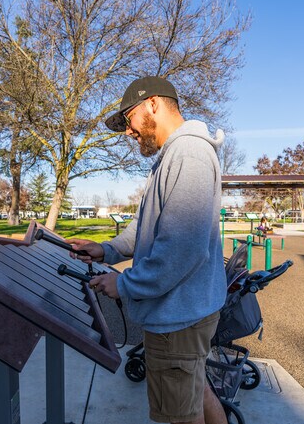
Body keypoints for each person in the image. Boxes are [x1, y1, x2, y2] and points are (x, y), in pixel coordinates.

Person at [67, 76, 227, 424]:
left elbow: (182, 248)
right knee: (196, 392)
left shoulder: (189, 153)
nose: (128, 131)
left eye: (129, 118)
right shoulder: (174, 156)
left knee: (181, 415)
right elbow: (145, 229)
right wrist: (106, 250)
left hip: (178, 318)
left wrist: (124, 285)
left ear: (153, 103)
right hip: (184, 312)